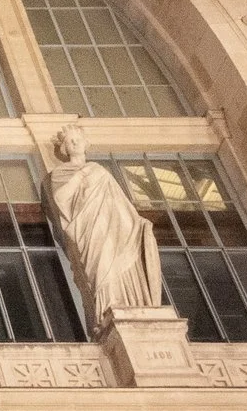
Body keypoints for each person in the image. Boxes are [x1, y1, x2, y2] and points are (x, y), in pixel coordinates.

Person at [42, 125, 165, 328]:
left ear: (85, 143)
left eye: (77, 139)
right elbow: (61, 199)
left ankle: (130, 302)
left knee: (117, 258)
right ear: (64, 148)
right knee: (101, 265)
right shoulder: (60, 173)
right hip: (88, 229)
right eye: (69, 141)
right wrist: (80, 178)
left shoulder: (98, 169)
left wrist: (136, 222)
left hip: (114, 226)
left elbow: (119, 201)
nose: (74, 143)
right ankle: (107, 307)